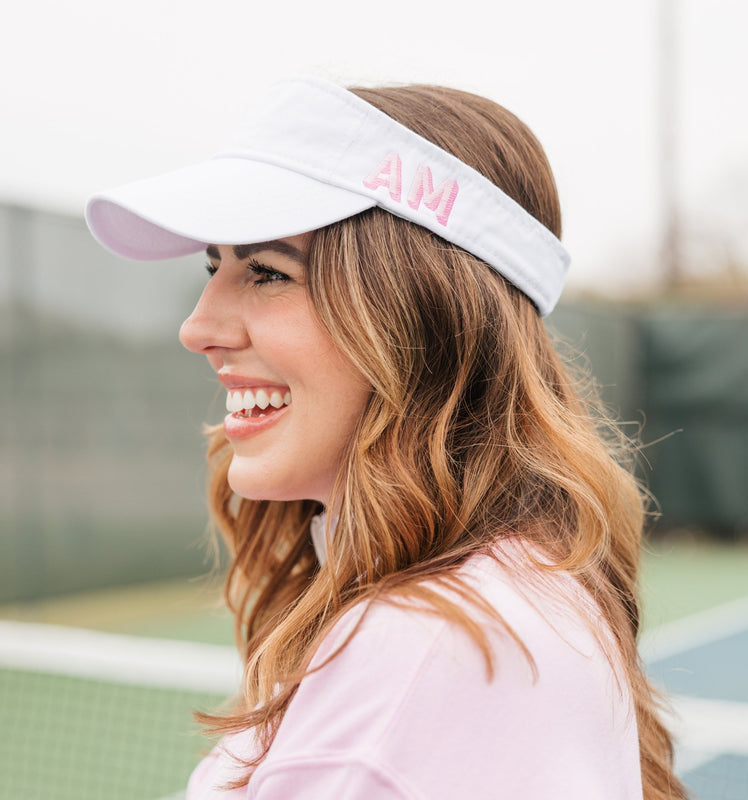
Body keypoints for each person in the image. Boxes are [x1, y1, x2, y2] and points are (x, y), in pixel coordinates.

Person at [86, 77, 686, 799]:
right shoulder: (506, 594)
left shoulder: (424, 648)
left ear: (420, 315)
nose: (198, 327)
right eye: (215, 268)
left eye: (267, 272)